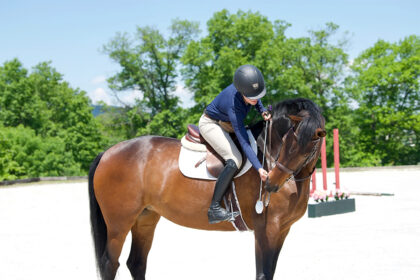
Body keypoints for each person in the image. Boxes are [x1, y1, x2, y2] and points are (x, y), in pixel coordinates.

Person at [199, 64, 272, 224]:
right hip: (211, 124)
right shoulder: (234, 107)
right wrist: (259, 167)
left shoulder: (247, 89)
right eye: (251, 97)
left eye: (257, 95)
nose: (255, 99)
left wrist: (262, 110)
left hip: (226, 122)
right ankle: (214, 208)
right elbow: (244, 142)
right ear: (241, 91)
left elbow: (255, 98)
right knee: (235, 160)